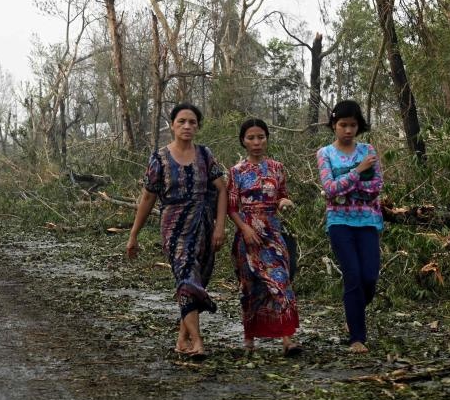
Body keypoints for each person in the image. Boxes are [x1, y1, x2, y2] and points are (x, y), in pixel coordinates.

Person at [126, 103, 227, 358]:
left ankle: (182, 340)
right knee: (186, 279)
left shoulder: (205, 155)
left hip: (204, 226)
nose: (187, 126)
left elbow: (222, 189)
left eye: (192, 122)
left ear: (197, 126)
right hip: (174, 228)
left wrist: (220, 227)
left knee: (198, 282)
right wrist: (133, 234)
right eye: (182, 121)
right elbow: (148, 198)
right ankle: (197, 342)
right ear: (172, 125)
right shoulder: (159, 158)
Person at [227, 118, 302, 356]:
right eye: (251, 138)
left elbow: (281, 196)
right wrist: (245, 230)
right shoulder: (236, 172)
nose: (256, 142)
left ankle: (287, 338)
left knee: (281, 281)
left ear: (267, 138)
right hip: (247, 234)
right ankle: (249, 339)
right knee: (250, 285)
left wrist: (284, 202)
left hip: (272, 232)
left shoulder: (277, 168)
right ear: (243, 141)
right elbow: (231, 207)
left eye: (261, 137)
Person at [316, 100, 383, 354]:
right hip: (339, 222)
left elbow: (375, 187)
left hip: (368, 221)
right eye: (343, 125)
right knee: (353, 275)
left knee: (369, 277)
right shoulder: (325, 154)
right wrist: (358, 172)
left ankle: (352, 312)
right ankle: (357, 337)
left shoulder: (368, 150)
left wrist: (346, 183)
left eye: (353, 125)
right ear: (334, 125)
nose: (348, 130)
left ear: (359, 126)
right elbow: (330, 189)